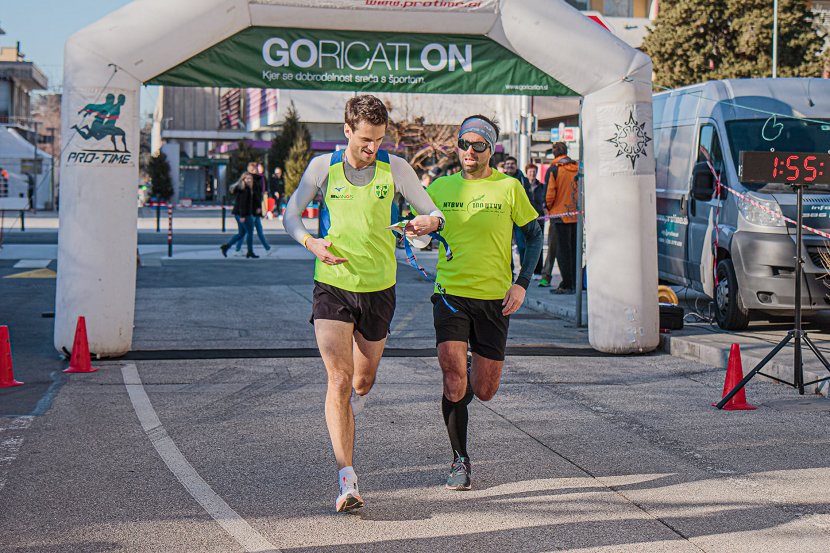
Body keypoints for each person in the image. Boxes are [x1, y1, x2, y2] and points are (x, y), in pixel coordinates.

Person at [282, 95, 445, 513]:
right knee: (338, 379)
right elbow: (290, 215)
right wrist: (310, 243)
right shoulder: (324, 167)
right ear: (347, 131)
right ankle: (347, 480)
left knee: (361, 383)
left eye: (378, 140)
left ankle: (357, 395)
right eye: (364, 140)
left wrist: (426, 223)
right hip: (333, 285)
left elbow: (433, 214)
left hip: (378, 289)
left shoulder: (397, 168)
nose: (371, 148)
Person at [424, 115, 542, 491]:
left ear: (491, 149)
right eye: (464, 144)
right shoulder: (440, 187)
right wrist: (412, 230)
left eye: (479, 145)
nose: (470, 151)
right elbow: (420, 229)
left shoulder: (509, 187)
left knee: (485, 390)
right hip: (450, 294)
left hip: (494, 298)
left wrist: (522, 284)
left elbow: (534, 235)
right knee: (452, 377)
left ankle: (470, 369)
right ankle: (459, 459)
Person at [545, 142, 580, 294]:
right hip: (575, 214)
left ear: (554, 153)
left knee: (562, 251)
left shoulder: (554, 169)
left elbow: (550, 193)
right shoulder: (576, 167)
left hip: (559, 215)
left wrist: (548, 207)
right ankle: (574, 282)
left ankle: (566, 284)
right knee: (574, 250)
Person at [220, 172, 261, 258]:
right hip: (243, 214)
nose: (249, 180)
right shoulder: (244, 189)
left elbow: (252, 201)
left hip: (241, 213)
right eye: (247, 178)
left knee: (241, 233)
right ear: (243, 179)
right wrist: (242, 216)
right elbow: (242, 203)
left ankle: (226, 246)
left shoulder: (248, 188)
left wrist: (257, 208)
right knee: (249, 232)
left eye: (250, 178)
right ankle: (250, 251)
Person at [235, 162, 272, 255]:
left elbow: (257, 196)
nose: (255, 171)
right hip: (251, 211)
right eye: (254, 169)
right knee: (251, 231)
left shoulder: (256, 179)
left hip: (254, 210)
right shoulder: (251, 181)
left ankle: (238, 249)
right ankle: (238, 249)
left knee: (250, 231)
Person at [524, 163, 546, 276]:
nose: (532, 174)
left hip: (539, 219)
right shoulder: (523, 186)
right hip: (525, 220)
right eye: (530, 172)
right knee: (526, 246)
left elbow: (545, 201)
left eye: (534, 171)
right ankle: (526, 271)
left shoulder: (541, 186)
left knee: (538, 246)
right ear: (526, 173)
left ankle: (538, 271)